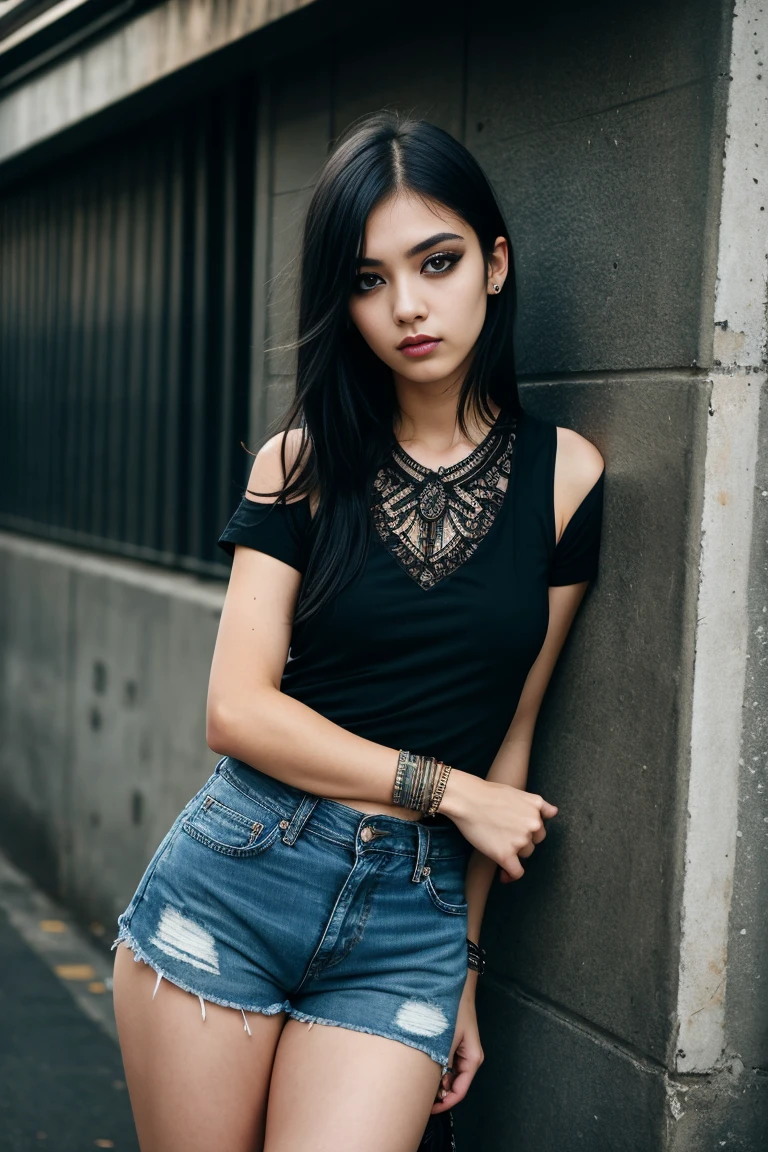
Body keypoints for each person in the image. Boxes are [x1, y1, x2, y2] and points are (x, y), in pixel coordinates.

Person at [111, 110, 605, 1152]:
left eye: (438, 262)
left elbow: (511, 734)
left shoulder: (570, 479)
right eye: (369, 279)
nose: (409, 307)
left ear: (496, 264)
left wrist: (464, 970)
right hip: (240, 875)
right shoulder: (299, 466)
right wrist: (450, 789)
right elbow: (236, 710)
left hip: (408, 925)